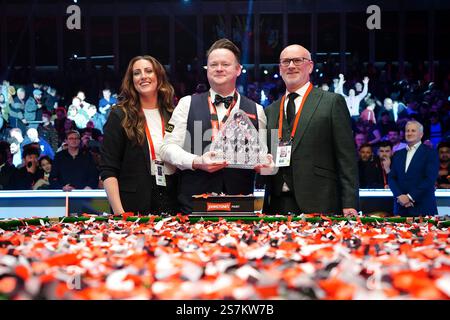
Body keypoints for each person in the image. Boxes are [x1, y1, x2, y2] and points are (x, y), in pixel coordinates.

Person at [160, 38, 272, 213]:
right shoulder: (187, 103)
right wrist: (197, 161)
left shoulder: (256, 110)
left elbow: (262, 157)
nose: (219, 68)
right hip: (194, 206)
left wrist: (264, 164)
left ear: (238, 69)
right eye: (213, 64)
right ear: (207, 70)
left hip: (239, 207)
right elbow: (166, 149)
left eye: (225, 64)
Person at [264, 44, 359, 215]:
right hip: (277, 204)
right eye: (286, 62)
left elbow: (346, 157)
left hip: (321, 201)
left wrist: (350, 202)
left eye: (297, 60)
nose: (291, 65)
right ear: (280, 68)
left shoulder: (331, 102)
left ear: (310, 66)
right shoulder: (270, 110)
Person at [100, 55, 179, 215]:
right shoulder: (119, 115)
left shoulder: (174, 114)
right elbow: (108, 169)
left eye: (148, 71)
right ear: (131, 80)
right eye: (136, 73)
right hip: (133, 203)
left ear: (158, 76)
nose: (143, 76)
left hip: (172, 197)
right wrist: (119, 213)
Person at [388, 121, 439, 216]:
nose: (409, 133)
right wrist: (400, 196)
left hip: (423, 208)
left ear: (421, 134)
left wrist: (409, 197)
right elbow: (392, 178)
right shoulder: (398, 154)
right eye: (407, 131)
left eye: (413, 130)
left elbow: (429, 179)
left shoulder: (430, 153)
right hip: (401, 208)